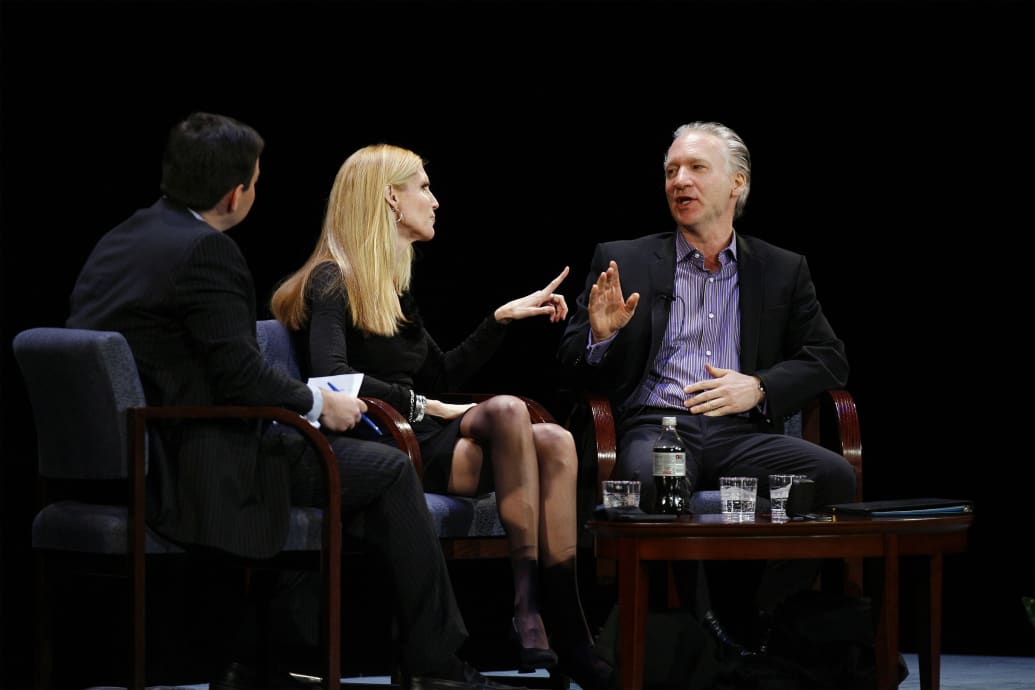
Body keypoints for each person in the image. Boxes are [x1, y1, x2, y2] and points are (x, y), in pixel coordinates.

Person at [66, 112, 518, 690]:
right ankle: (436, 666)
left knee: (355, 472)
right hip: (196, 462)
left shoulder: (121, 239)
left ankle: (277, 655)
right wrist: (315, 403)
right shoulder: (209, 254)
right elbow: (240, 377)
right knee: (384, 471)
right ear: (237, 192)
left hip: (124, 459)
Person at [270, 144, 614, 690]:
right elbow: (331, 375)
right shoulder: (332, 280)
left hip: (426, 435)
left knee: (555, 442)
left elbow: (445, 375)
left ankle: (566, 629)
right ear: (389, 197)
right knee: (505, 409)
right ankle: (525, 609)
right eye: (423, 187)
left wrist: (500, 320)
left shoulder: (395, 289)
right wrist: (421, 406)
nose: (434, 200)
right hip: (385, 443)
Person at [556, 120, 857, 654]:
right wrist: (599, 339)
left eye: (697, 168)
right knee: (650, 481)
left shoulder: (782, 269)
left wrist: (760, 387)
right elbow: (571, 368)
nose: (680, 181)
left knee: (833, 476)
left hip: (740, 431)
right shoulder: (623, 258)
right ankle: (696, 628)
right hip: (659, 426)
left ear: (737, 183)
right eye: (671, 170)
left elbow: (830, 358)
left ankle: (762, 615)